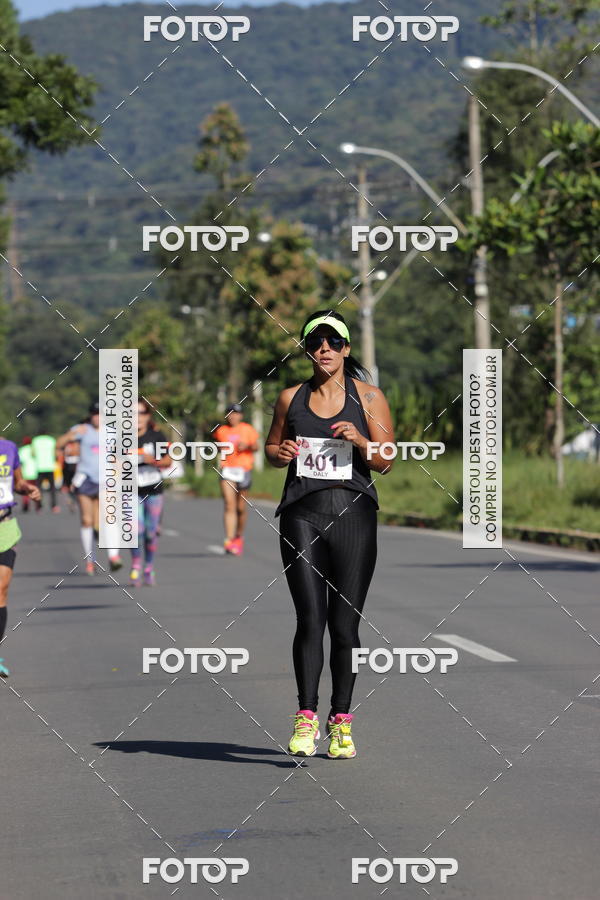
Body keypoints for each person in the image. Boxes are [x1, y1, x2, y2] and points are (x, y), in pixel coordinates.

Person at [265, 310, 394, 759]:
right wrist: (280, 454)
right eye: (316, 342)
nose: (324, 348)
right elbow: (272, 449)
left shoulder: (370, 397)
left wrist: (361, 441)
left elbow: (387, 459)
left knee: (345, 627)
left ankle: (341, 721)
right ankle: (305, 719)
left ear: (346, 348)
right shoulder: (289, 398)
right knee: (310, 621)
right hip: (302, 515)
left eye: (333, 341)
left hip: (355, 516)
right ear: (307, 349)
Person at [57, 402, 123, 575]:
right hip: (86, 478)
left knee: (108, 517)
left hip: (106, 480)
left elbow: (118, 453)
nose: (97, 417)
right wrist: (72, 434)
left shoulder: (111, 432)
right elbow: (59, 444)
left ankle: (114, 557)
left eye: (100, 414)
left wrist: (119, 465)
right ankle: (90, 560)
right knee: (87, 520)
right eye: (94, 413)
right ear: (90, 415)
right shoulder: (82, 429)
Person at [0, 437, 41, 676]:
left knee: (1, 590)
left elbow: (17, 482)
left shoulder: (8, 447)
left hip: (4, 525)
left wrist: (28, 488)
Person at [130, 399, 173, 587]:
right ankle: (136, 564)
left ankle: (149, 566)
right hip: (130, 491)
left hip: (153, 489)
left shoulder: (157, 436)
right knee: (135, 530)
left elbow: (168, 461)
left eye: (142, 413)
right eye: (134, 413)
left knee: (150, 533)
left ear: (148, 416)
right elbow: (111, 462)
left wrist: (153, 459)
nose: (138, 418)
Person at [213, 403, 259, 556]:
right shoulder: (221, 431)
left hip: (244, 469)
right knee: (229, 504)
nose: (233, 416)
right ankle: (229, 539)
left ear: (241, 415)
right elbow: (217, 447)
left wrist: (247, 445)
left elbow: (257, 447)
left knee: (241, 508)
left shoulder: (247, 429)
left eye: (236, 413)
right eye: (230, 413)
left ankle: (239, 536)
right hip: (227, 470)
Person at [31, 433, 60, 512]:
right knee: (52, 489)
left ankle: (39, 507)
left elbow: (33, 454)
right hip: (50, 467)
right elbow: (56, 453)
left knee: (39, 489)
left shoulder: (35, 440)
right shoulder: (51, 440)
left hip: (39, 467)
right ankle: (54, 506)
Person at [18, 437, 42, 513]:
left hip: (26, 473)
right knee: (36, 490)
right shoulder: (35, 449)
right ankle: (38, 506)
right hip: (35, 472)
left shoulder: (22, 450)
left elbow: (20, 463)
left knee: (26, 490)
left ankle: (26, 506)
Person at [59, 436, 79, 512]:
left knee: (75, 484)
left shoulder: (77, 444)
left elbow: (75, 453)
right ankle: (71, 499)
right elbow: (63, 452)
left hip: (76, 465)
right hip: (67, 466)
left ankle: (74, 499)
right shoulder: (66, 445)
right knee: (68, 484)